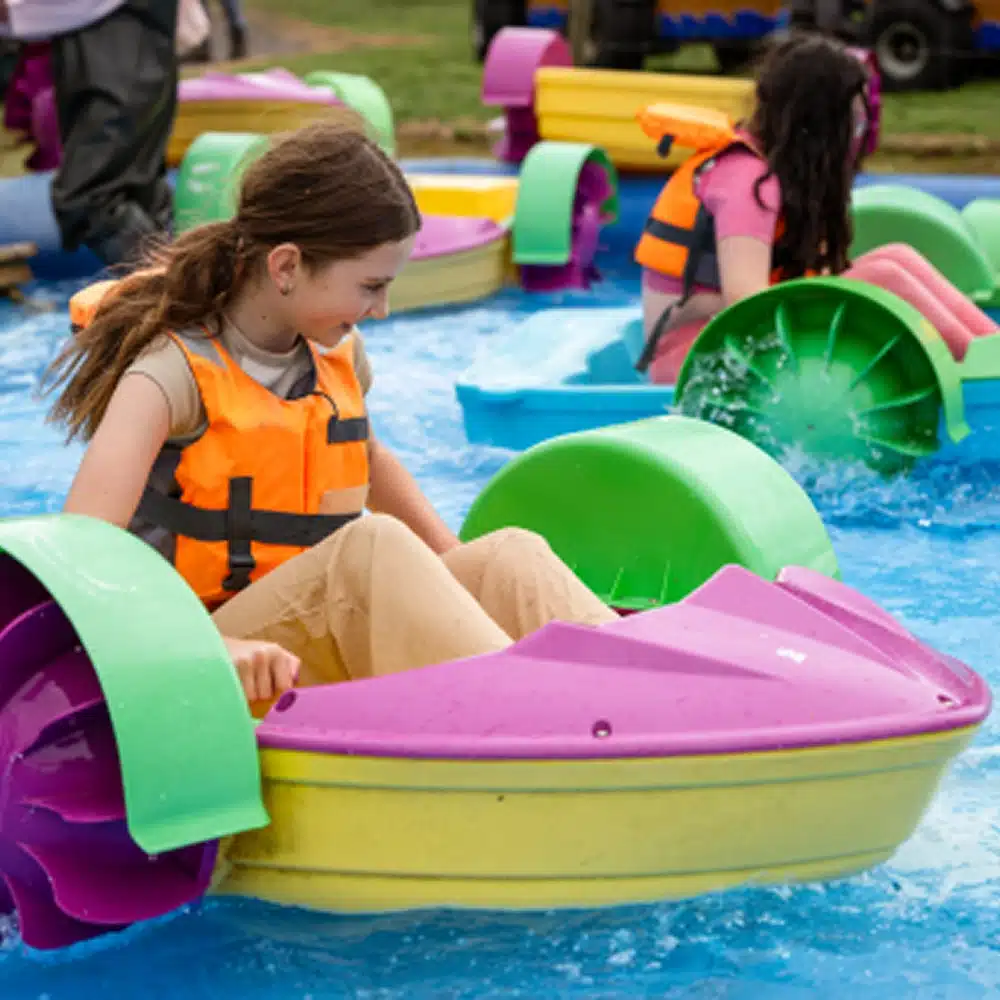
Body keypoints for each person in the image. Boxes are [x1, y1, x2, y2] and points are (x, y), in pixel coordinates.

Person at [44, 118, 617, 707]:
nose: (383, 309)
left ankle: (636, 689)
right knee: (367, 550)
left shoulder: (332, 356)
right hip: (200, 660)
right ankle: (541, 719)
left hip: (300, 640)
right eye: (370, 286)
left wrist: (458, 573)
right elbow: (82, 555)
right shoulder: (167, 378)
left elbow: (364, 457)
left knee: (506, 555)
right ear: (287, 266)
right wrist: (207, 649)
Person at [636, 33, 1000, 385]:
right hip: (695, 362)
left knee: (895, 257)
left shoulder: (762, 168)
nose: (857, 135)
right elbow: (745, 305)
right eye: (853, 121)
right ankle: (986, 371)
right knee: (885, 277)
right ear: (818, 123)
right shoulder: (747, 183)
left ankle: (991, 348)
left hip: (717, 343)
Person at [1, 0, 179, 267]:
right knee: (138, 191)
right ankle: (180, 291)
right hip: (121, 53)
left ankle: (176, 293)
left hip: (121, 58)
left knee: (92, 199)